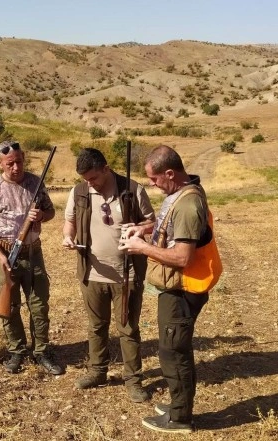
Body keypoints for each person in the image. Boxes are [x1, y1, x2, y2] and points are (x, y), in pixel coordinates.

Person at [119, 145, 212, 433]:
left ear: (170, 173)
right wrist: (144, 229)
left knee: (174, 352)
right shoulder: (180, 193)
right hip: (174, 288)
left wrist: (142, 248)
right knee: (173, 349)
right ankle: (177, 404)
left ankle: (180, 417)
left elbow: (183, 257)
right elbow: (169, 227)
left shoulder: (187, 204)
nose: (151, 184)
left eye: (155, 178)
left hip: (181, 291)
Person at [61, 148, 155, 402]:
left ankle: (133, 380)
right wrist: (68, 237)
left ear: (106, 168)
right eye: (85, 179)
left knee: (127, 328)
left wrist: (138, 228)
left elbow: (153, 222)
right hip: (92, 272)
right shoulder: (79, 192)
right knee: (96, 326)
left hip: (127, 273)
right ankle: (97, 371)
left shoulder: (133, 190)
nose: (89, 183)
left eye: (93, 178)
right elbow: (69, 221)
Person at [0, 140, 64, 375]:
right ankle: (16, 351)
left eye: (19, 162)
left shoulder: (36, 183)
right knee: (10, 306)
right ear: (0, 163)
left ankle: (42, 351)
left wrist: (42, 216)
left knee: (39, 305)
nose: (16, 168)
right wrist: (0, 255)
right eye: (10, 164)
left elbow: (51, 211)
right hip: (5, 255)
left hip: (33, 253)